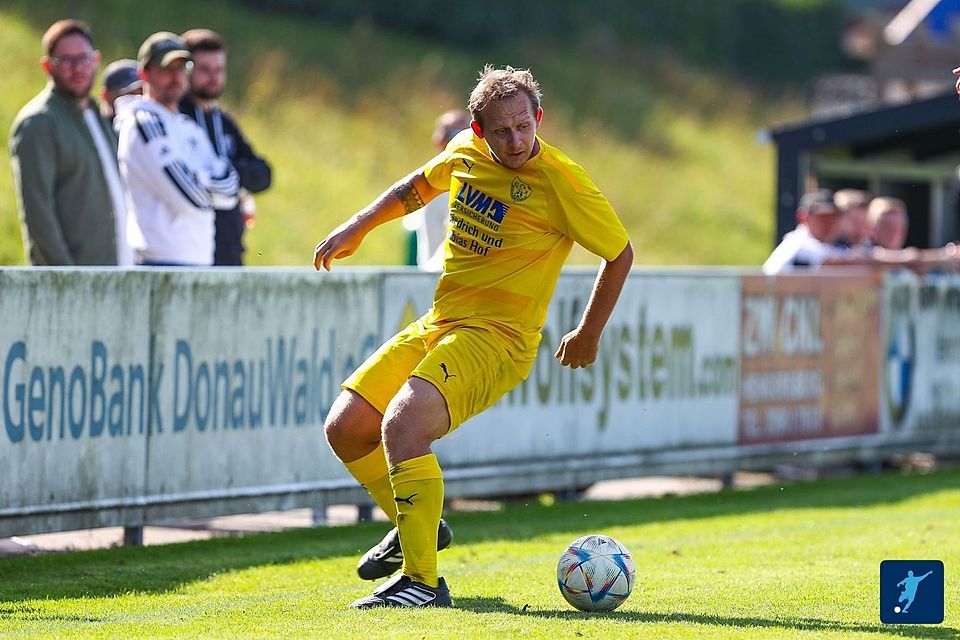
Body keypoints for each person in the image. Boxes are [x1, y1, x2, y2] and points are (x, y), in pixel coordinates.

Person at [313, 65, 633, 609]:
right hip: (443, 322)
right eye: (502, 131)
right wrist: (359, 226)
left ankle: (421, 583)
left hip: (499, 339)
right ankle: (418, 526)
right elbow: (417, 186)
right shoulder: (464, 151)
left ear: (538, 117)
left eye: (524, 126)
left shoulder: (563, 181)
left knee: (403, 427)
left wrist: (589, 331)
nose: (516, 141)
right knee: (346, 428)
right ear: (479, 130)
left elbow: (619, 253)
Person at [9, 19, 137, 266]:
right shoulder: (38, 122)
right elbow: (38, 214)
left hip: (117, 273)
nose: (77, 68)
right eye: (66, 61)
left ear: (95, 60)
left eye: (83, 58)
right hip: (73, 281)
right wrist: (67, 276)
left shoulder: (97, 115)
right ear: (47, 66)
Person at [116, 32, 238, 266]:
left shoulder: (188, 127)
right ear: (144, 73)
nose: (176, 77)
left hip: (200, 261)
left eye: (182, 68)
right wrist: (205, 183)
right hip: (158, 262)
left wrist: (197, 178)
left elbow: (232, 189)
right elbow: (190, 198)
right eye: (167, 69)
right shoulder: (143, 122)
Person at [179, 28, 272, 266]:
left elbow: (263, 174)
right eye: (205, 70)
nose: (213, 77)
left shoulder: (224, 121)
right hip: (189, 252)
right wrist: (233, 176)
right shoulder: (176, 118)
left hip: (230, 250)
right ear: (185, 70)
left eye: (219, 70)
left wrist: (224, 172)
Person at [402, 109, 472, 272]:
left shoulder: (477, 181)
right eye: (455, 135)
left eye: (468, 134)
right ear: (439, 141)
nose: (463, 141)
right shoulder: (431, 183)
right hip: (436, 276)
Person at [762, 189, 846, 274]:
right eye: (823, 218)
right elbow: (828, 263)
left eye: (833, 217)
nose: (829, 223)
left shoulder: (831, 246)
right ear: (803, 217)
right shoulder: (796, 242)